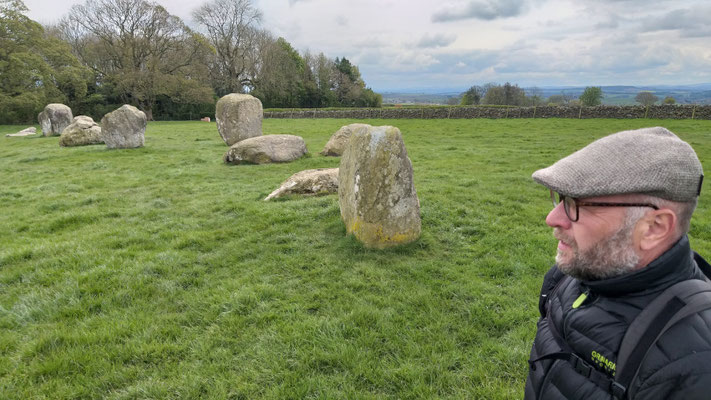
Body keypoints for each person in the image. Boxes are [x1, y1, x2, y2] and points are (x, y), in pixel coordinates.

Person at [524, 127, 711, 399]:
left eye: (579, 205)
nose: (552, 218)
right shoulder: (568, 278)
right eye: (561, 199)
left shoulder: (693, 368)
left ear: (654, 228)